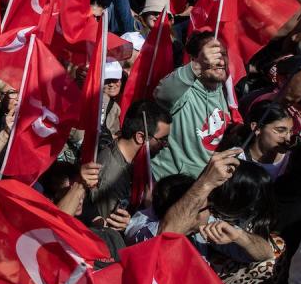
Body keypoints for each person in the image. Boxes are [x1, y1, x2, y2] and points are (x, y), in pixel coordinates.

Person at [152, 33, 234, 179]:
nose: (221, 62)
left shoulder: (223, 89)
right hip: (173, 184)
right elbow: (162, 93)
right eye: (213, 55)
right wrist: (199, 65)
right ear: (195, 59)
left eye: (223, 54)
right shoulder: (184, 89)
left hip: (206, 183)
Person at [84, 100, 172, 224]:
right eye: (162, 140)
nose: (165, 145)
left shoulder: (138, 160)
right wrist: (133, 222)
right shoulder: (112, 176)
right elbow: (108, 226)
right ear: (140, 137)